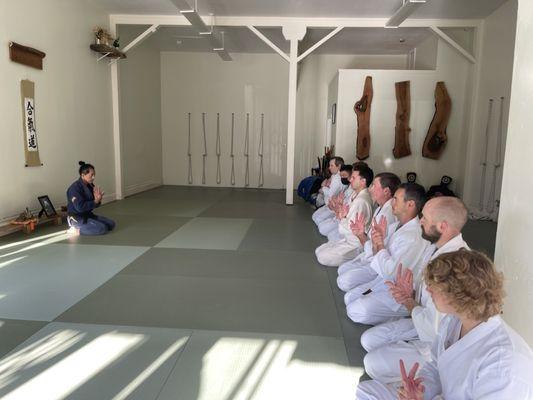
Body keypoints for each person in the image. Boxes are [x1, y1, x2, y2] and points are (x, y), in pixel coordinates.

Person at [356, 249, 533, 400]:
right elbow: (436, 366)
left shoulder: (504, 364)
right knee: (366, 390)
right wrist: (421, 391)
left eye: (435, 286)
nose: (428, 290)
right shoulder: (454, 320)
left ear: (459, 294)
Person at [361, 196, 469, 383]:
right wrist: (409, 295)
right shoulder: (435, 248)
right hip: (420, 317)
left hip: (436, 345)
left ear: (442, 226)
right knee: (368, 340)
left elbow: (434, 330)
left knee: (372, 364)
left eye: (425, 218)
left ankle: (429, 381)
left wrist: (408, 302)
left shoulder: (455, 266)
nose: (420, 221)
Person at [344, 183, 429, 325]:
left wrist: (380, 244)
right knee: (349, 297)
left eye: (396, 199)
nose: (392, 203)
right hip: (383, 279)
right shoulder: (396, 226)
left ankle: (401, 315)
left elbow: (391, 272)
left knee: (355, 310)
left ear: (410, 204)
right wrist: (369, 238)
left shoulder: (413, 237)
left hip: (400, 292)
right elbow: (377, 257)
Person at [336, 172, 401, 290]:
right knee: (342, 270)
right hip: (368, 251)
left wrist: (361, 235)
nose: (370, 189)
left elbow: (379, 249)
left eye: (374, 186)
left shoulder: (388, 215)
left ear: (386, 191)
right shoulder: (380, 208)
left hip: (376, 262)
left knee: (343, 281)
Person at [315, 164, 374, 267]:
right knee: (319, 250)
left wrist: (341, 217)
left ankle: (357, 256)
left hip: (355, 243)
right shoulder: (355, 194)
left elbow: (350, 229)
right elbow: (345, 214)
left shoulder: (361, 201)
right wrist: (339, 209)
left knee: (322, 256)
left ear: (363, 181)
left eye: (353, 178)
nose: (350, 180)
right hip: (347, 238)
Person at [66, 161, 115, 235]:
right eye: (91, 175)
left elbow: (94, 204)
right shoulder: (74, 188)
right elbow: (80, 207)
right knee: (102, 228)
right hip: (76, 217)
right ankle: (74, 229)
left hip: (87, 214)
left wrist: (98, 200)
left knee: (111, 224)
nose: (93, 177)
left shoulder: (90, 185)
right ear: (83, 175)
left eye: (94, 175)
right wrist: (95, 201)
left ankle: (89, 224)